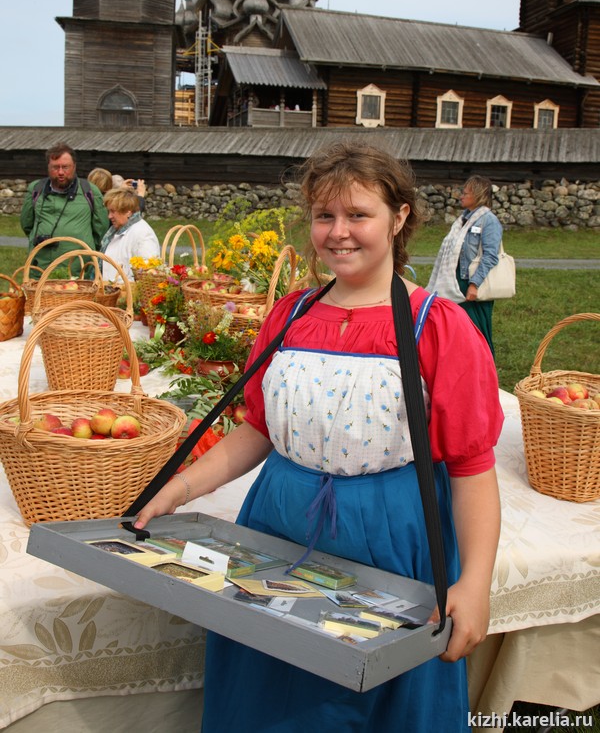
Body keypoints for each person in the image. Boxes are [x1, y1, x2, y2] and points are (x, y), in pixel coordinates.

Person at [134, 141, 503, 733]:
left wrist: (475, 581)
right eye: (324, 216)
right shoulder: (291, 314)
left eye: (358, 214)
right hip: (278, 524)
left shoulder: (438, 326)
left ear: (399, 217)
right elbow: (257, 429)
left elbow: (471, 466)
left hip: (391, 533)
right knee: (270, 690)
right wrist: (178, 489)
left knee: (374, 698)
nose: (339, 233)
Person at [427, 176, 503, 356]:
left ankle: (485, 372)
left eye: (465, 193)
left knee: (478, 333)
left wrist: (474, 284)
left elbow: (491, 256)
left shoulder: (489, 221)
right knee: (459, 332)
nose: (461, 196)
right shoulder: (462, 221)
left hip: (472, 285)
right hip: (456, 283)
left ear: (478, 195)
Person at [20, 143, 109, 271]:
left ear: (74, 167)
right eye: (55, 167)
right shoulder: (35, 190)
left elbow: (101, 229)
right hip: (40, 269)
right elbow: (27, 224)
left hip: (79, 271)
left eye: (65, 167)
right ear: (48, 168)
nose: (61, 172)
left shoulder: (90, 191)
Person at [100, 188, 159, 281]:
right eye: (109, 211)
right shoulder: (116, 231)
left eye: (113, 211)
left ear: (128, 212)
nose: (109, 216)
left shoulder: (143, 234)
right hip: (113, 292)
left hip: (128, 293)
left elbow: (148, 273)